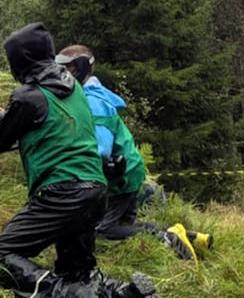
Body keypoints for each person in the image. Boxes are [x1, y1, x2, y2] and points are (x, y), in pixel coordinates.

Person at [0, 23, 176, 298]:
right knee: (80, 272)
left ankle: (66, 297)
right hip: (94, 192)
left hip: (60, 193)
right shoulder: (76, 89)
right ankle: (129, 294)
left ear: (20, 61)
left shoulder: (27, 95)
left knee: (0, 257)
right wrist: (7, 115)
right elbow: (47, 125)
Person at [55, 45, 213, 263]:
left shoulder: (93, 101)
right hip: (127, 171)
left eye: (68, 68)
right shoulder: (86, 95)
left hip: (120, 175)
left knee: (103, 229)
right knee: (125, 225)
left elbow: (100, 150)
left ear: (81, 68)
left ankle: (167, 238)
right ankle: (192, 237)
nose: (63, 73)